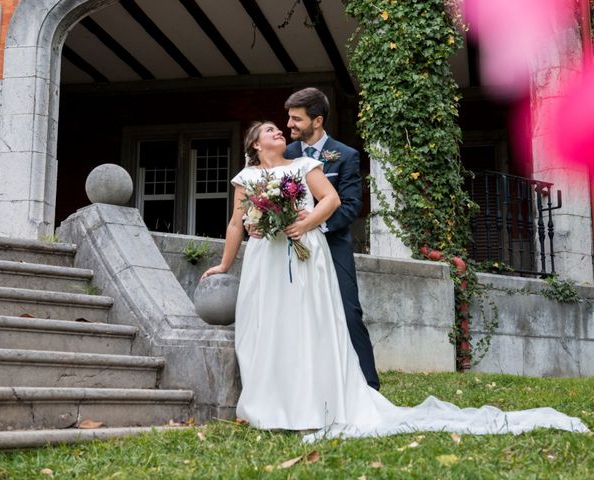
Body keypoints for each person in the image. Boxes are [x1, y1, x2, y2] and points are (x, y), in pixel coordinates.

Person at [201, 120, 589, 439]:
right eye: (270, 130)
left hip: (303, 255)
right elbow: (237, 222)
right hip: (264, 261)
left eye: (279, 129)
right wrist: (223, 264)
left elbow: (331, 201)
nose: (279, 132)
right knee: (269, 329)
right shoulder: (246, 177)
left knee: (307, 328)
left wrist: (305, 222)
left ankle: (310, 405)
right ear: (255, 144)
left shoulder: (303, 166)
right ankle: (267, 405)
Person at [283, 87, 379, 390]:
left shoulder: (345, 156)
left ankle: (368, 385)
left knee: (349, 310)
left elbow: (351, 204)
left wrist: (315, 227)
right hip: (291, 244)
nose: (290, 125)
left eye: (297, 119)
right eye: (289, 118)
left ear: (318, 120)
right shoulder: (285, 155)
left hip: (332, 241)